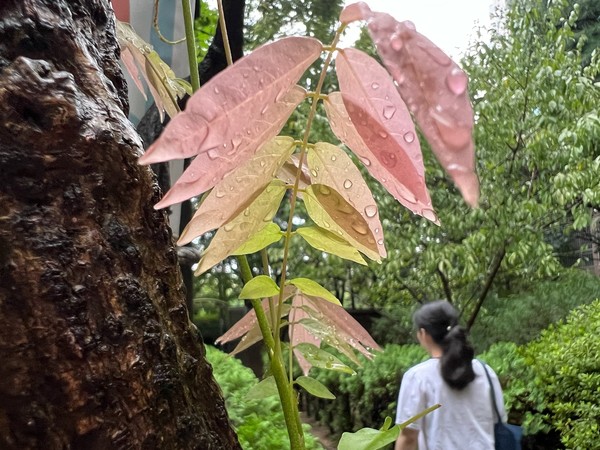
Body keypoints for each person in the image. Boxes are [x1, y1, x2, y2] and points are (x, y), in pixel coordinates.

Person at [395, 300, 507, 450]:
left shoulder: (418, 377)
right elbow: (498, 422)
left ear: (423, 334)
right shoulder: (486, 372)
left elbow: (408, 438)